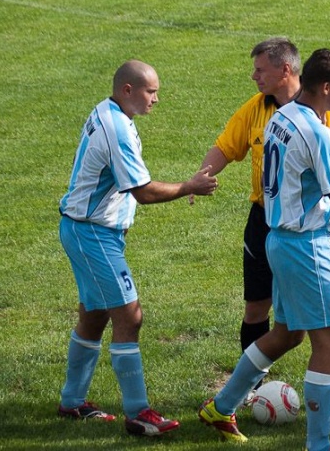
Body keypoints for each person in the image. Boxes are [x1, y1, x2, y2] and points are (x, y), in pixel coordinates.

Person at [198, 49, 330, 447]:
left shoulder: (282, 117)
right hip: (306, 245)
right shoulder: (316, 132)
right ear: (326, 87)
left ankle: (220, 407)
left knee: (288, 333)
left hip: (278, 238)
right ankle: (319, 444)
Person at [58, 60, 218, 436]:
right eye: (151, 91)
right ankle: (138, 413)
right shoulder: (116, 128)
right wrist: (188, 187)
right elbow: (143, 192)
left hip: (86, 230)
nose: (156, 99)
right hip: (92, 234)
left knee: (95, 315)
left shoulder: (110, 111)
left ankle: (72, 401)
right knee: (130, 317)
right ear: (127, 90)